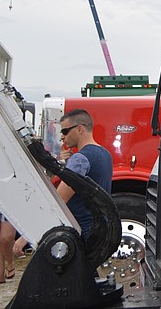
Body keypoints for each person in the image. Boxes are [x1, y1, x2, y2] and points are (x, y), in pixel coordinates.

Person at [14, 109, 113, 256]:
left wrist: (24, 237)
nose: (62, 136)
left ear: (80, 128)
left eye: (65, 131)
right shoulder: (105, 154)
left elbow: (59, 201)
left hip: (82, 230)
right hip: (100, 229)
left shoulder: (80, 159)